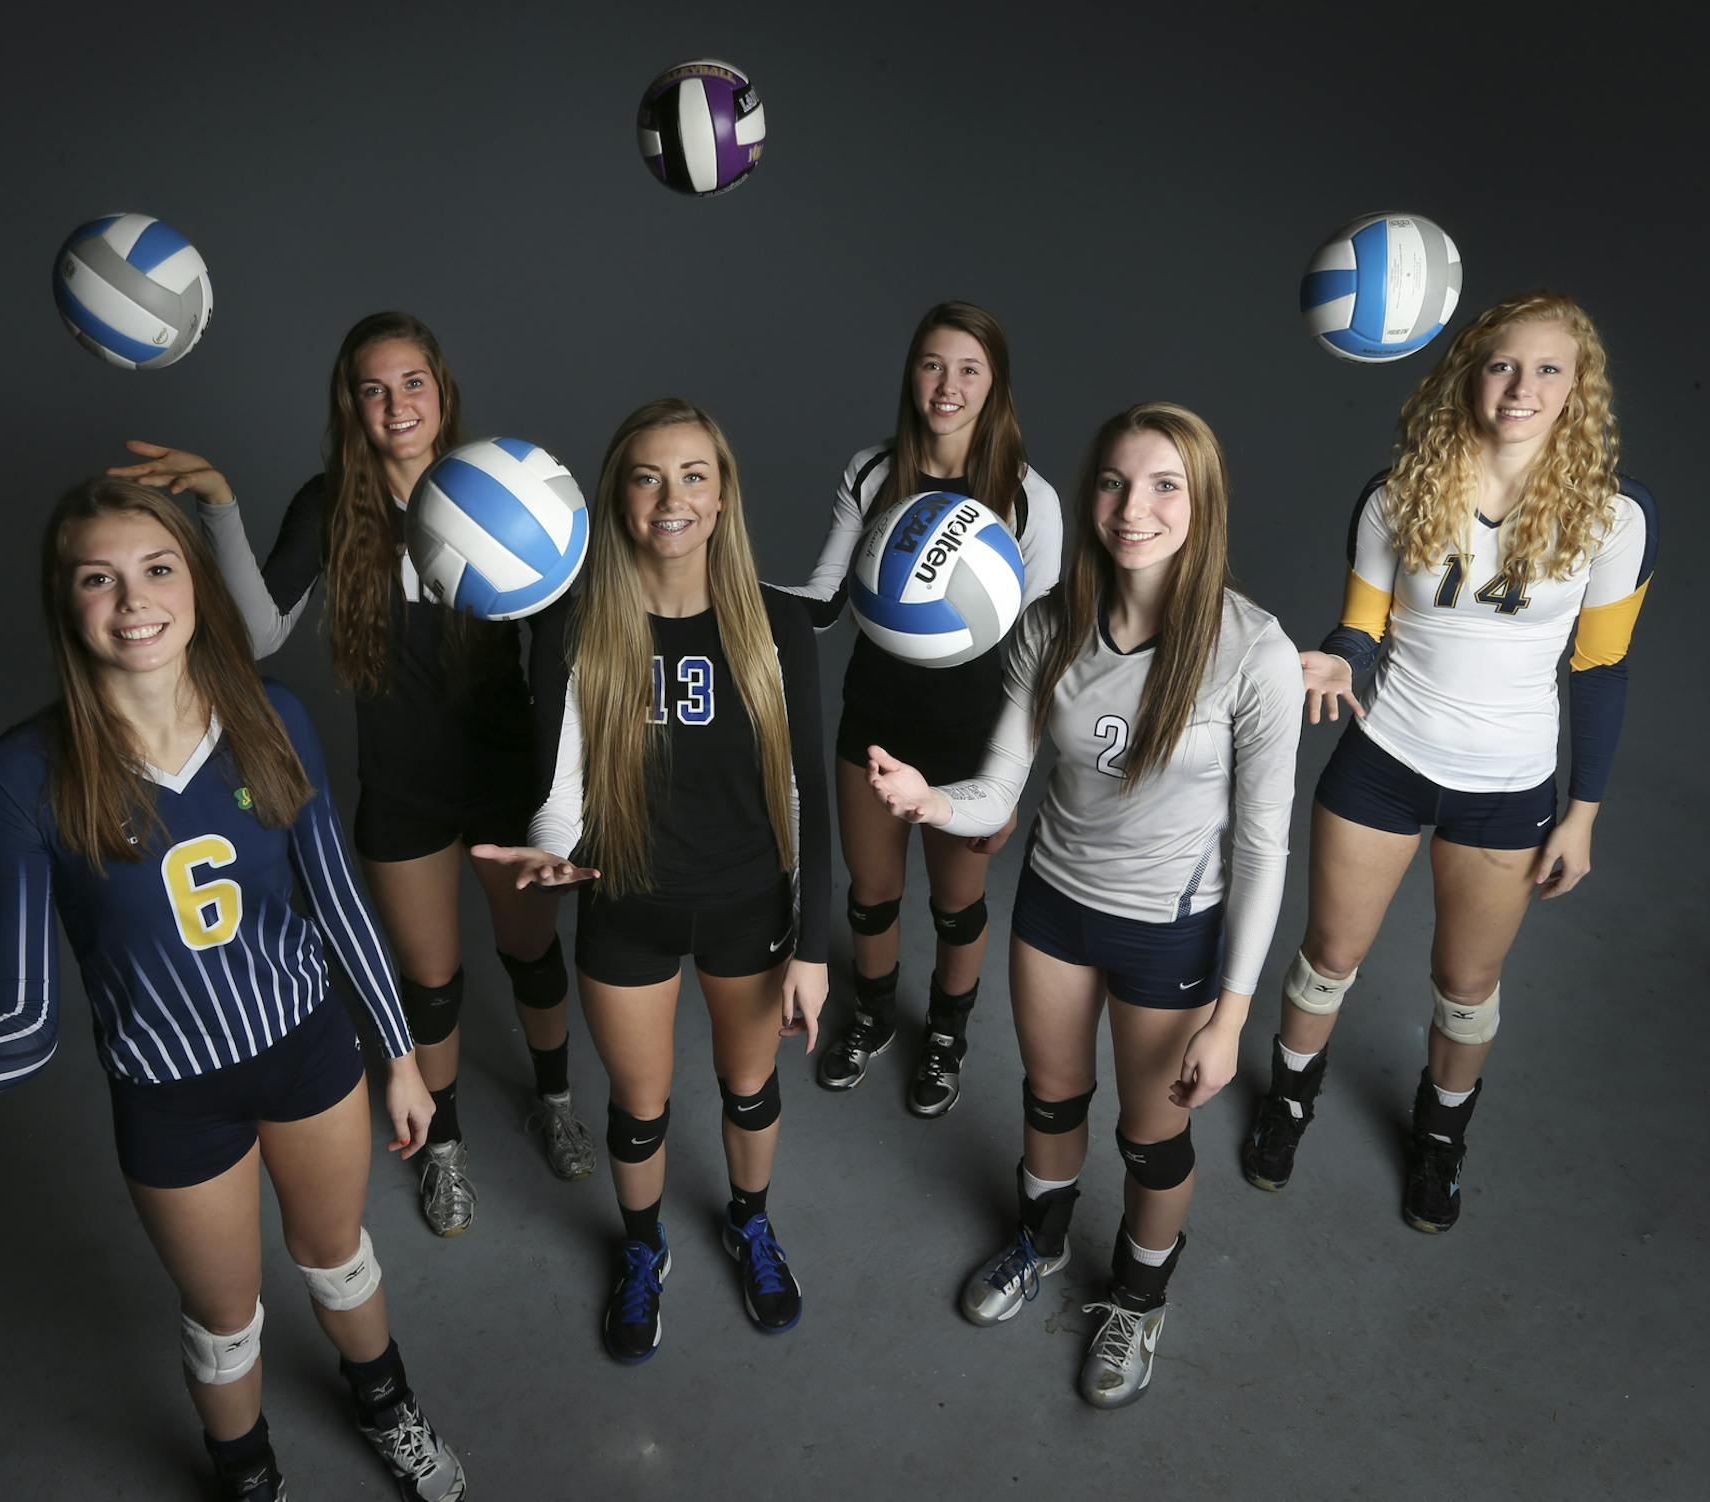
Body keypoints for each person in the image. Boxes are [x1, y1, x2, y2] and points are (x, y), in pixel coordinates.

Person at [0, 480, 466, 1502]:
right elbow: (27, 1019)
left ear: (196, 583)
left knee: (339, 1256)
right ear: (64, 604)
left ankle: (387, 1405)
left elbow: (338, 903)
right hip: (173, 1097)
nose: (134, 599)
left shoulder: (272, 714)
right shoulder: (22, 775)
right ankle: (246, 1473)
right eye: (97, 579)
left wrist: (401, 1054)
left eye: (158, 567)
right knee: (226, 1319)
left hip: (309, 1050)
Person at [109, 310, 595, 1239]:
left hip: (503, 778)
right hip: (404, 786)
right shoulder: (331, 505)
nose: (395, 404)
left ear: (441, 390)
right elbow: (255, 638)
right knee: (431, 982)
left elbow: (561, 647)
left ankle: (556, 1098)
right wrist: (218, 504)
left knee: (532, 954)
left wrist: (554, 799)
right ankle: (445, 1147)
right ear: (353, 407)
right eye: (373, 389)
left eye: (411, 382)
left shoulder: (501, 484)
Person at [868, 403, 1301, 1407]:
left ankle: (1139, 1300)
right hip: (1058, 906)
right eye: (1112, 481)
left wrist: (1234, 1015)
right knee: (1050, 1101)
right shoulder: (1051, 620)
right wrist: (929, 799)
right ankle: (1041, 1241)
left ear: (1202, 503)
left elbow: (1264, 843)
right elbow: (1000, 787)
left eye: (1163, 486)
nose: (1131, 507)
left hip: (1173, 932)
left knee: (1153, 1138)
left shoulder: (1255, 653)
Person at [1241, 291, 1656, 1233]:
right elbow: (1361, 629)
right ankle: (1288, 1102)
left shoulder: (1615, 517)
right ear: (1469, 372)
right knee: (1328, 957)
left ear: (1578, 390)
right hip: (1386, 756)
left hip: (1509, 784)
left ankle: (1439, 1144)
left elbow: (1599, 671)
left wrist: (1582, 814)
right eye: (1503, 363)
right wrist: (1334, 662)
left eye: (1550, 369)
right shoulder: (1398, 491)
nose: (1522, 386)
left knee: (1467, 989)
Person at [472, 398, 831, 1364]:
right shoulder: (574, 622)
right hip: (626, 905)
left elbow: (809, 798)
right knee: (638, 1109)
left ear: (721, 498)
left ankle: (749, 1224)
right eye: (645, 475)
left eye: (693, 475)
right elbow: (558, 787)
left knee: (749, 1090)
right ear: (615, 497)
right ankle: (641, 1251)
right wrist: (550, 852)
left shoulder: (778, 621)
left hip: (750, 904)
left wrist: (815, 946)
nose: (670, 497)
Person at [777, 301, 1062, 1115]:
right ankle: (871, 1016)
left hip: (972, 731)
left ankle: (946, 1031)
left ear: (995, 383)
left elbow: (1041, 654)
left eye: (969, 368)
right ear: (912, 373)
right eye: (933, 364)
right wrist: (716, 591)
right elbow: (825, 603)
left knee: (957, 903)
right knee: (870, 893)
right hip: (877, 713)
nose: (948, 385)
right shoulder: (873, 471)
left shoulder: (1028, 496)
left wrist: (1009, 788)